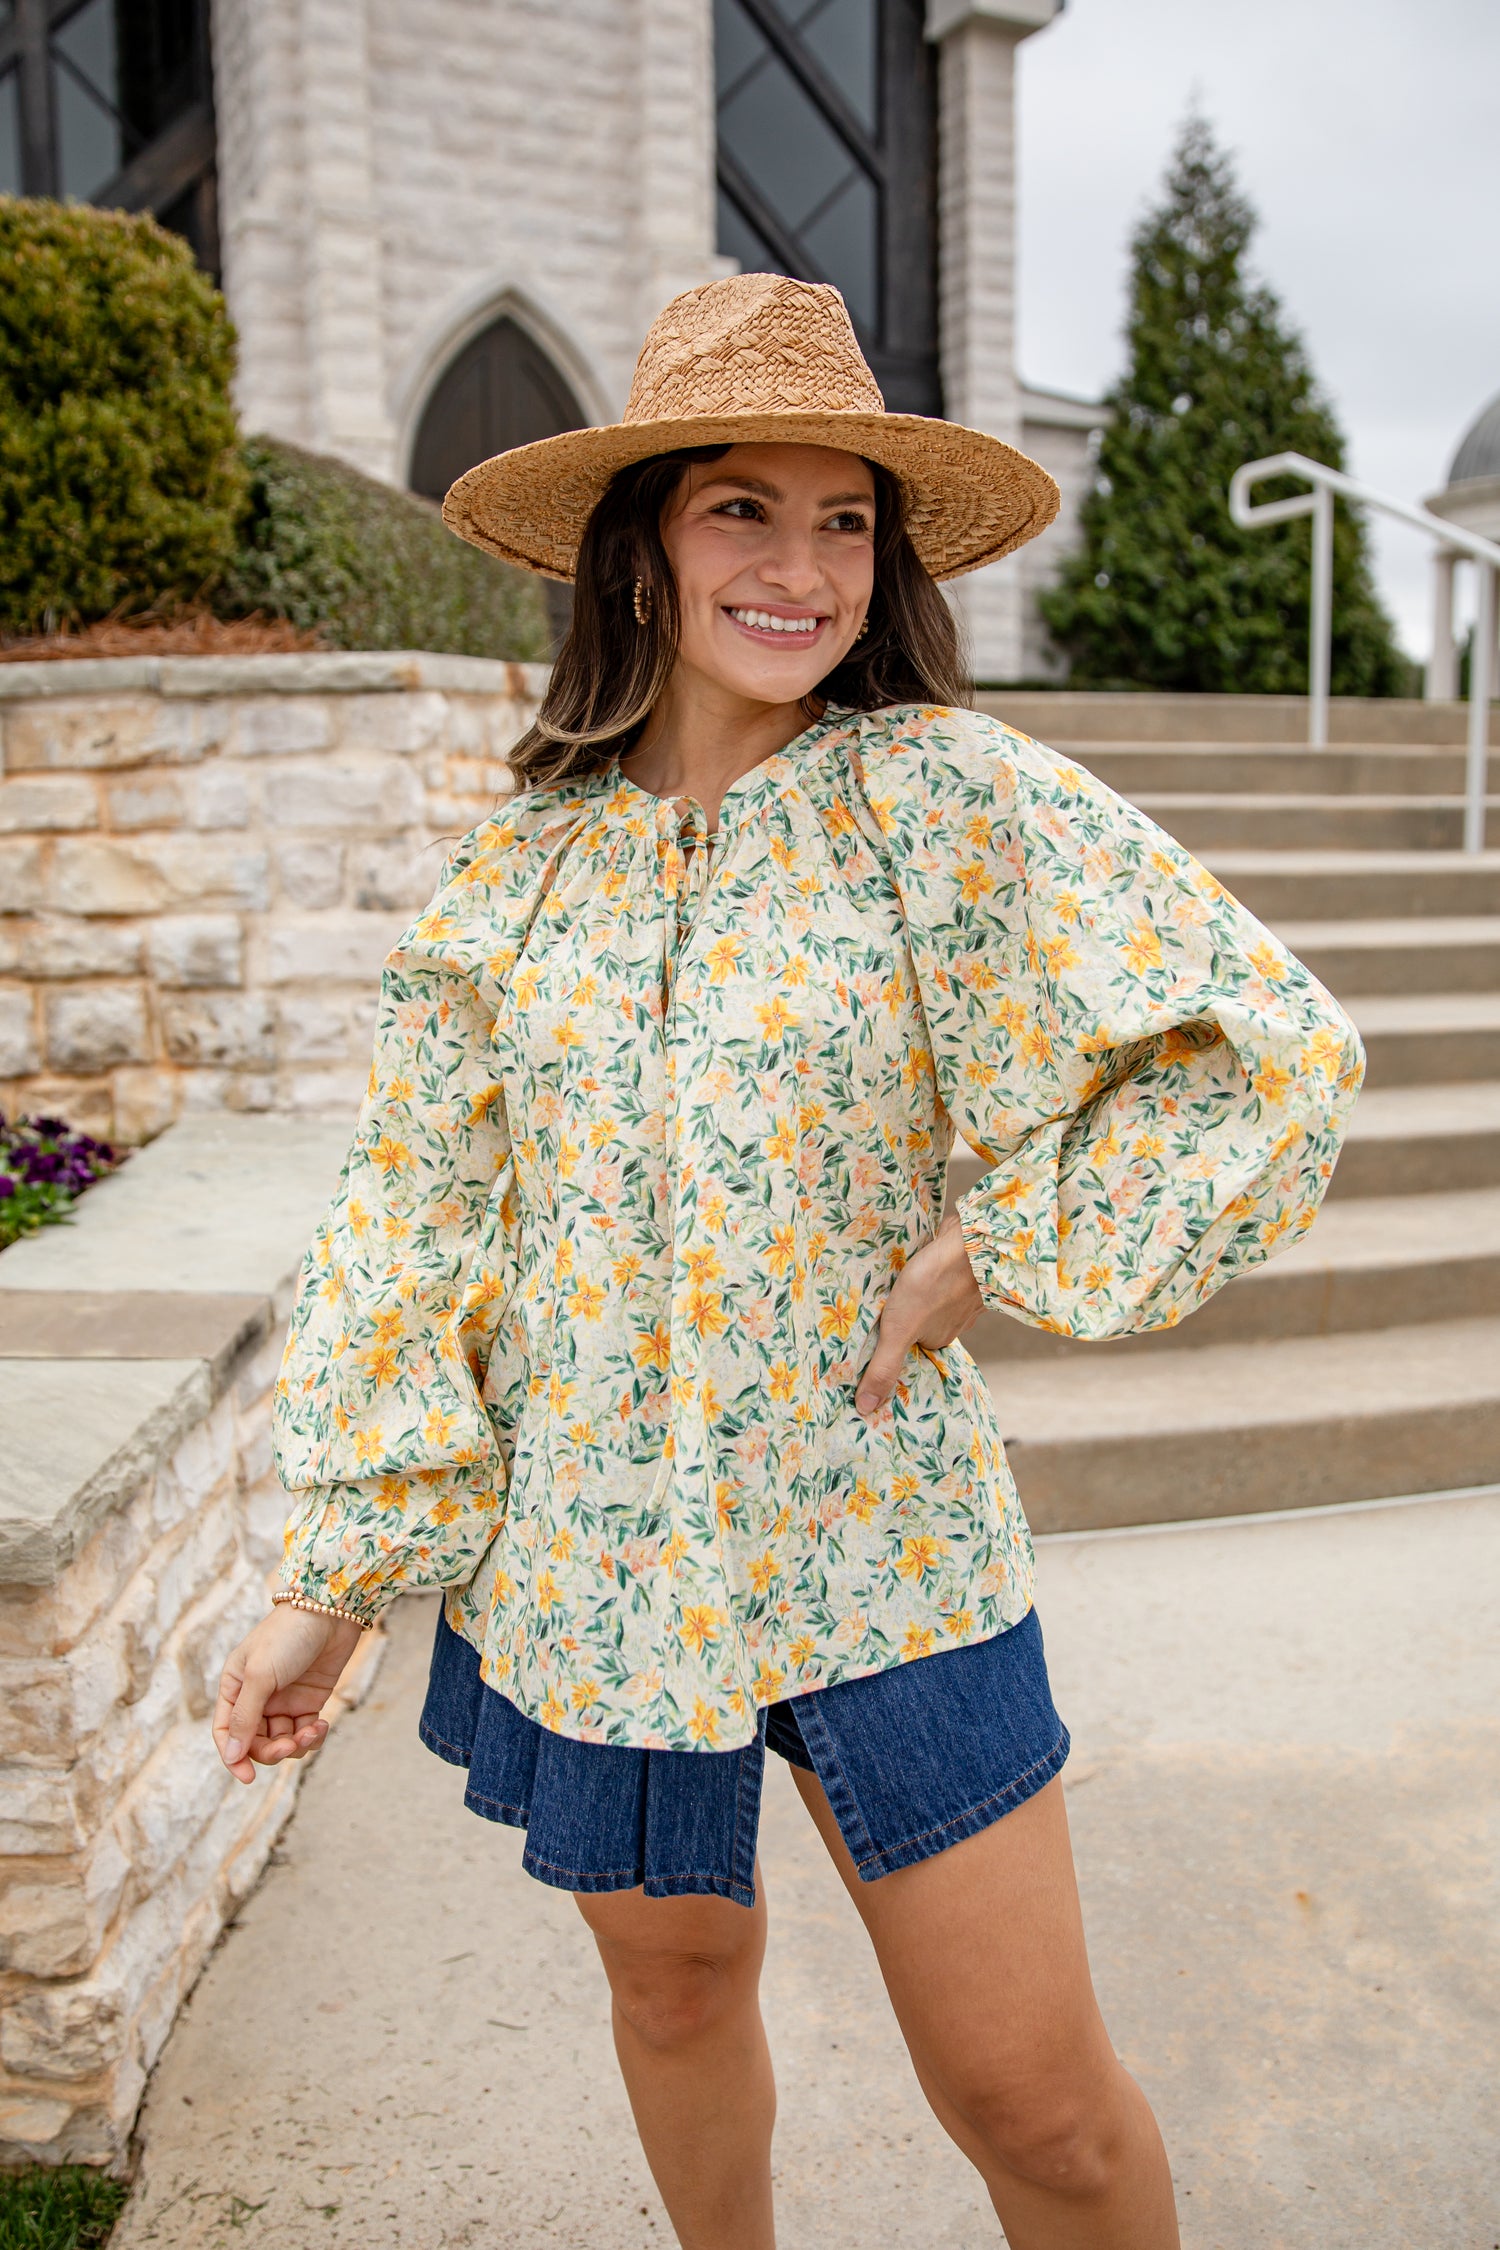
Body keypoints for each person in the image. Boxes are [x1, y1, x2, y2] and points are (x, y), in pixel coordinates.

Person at [214, 272, 1363, 2250]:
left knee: (1036, 2100)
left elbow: (1269, 1047)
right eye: (743, 505)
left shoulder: (946, 798)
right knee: (672, 1992)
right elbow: (419, 1215)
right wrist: (334, 1577)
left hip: (878, 1542)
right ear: (643, 542)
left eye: (847, 520)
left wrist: (1002, 1238)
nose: (803, 565)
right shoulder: (520, 870)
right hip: (584, 1560)